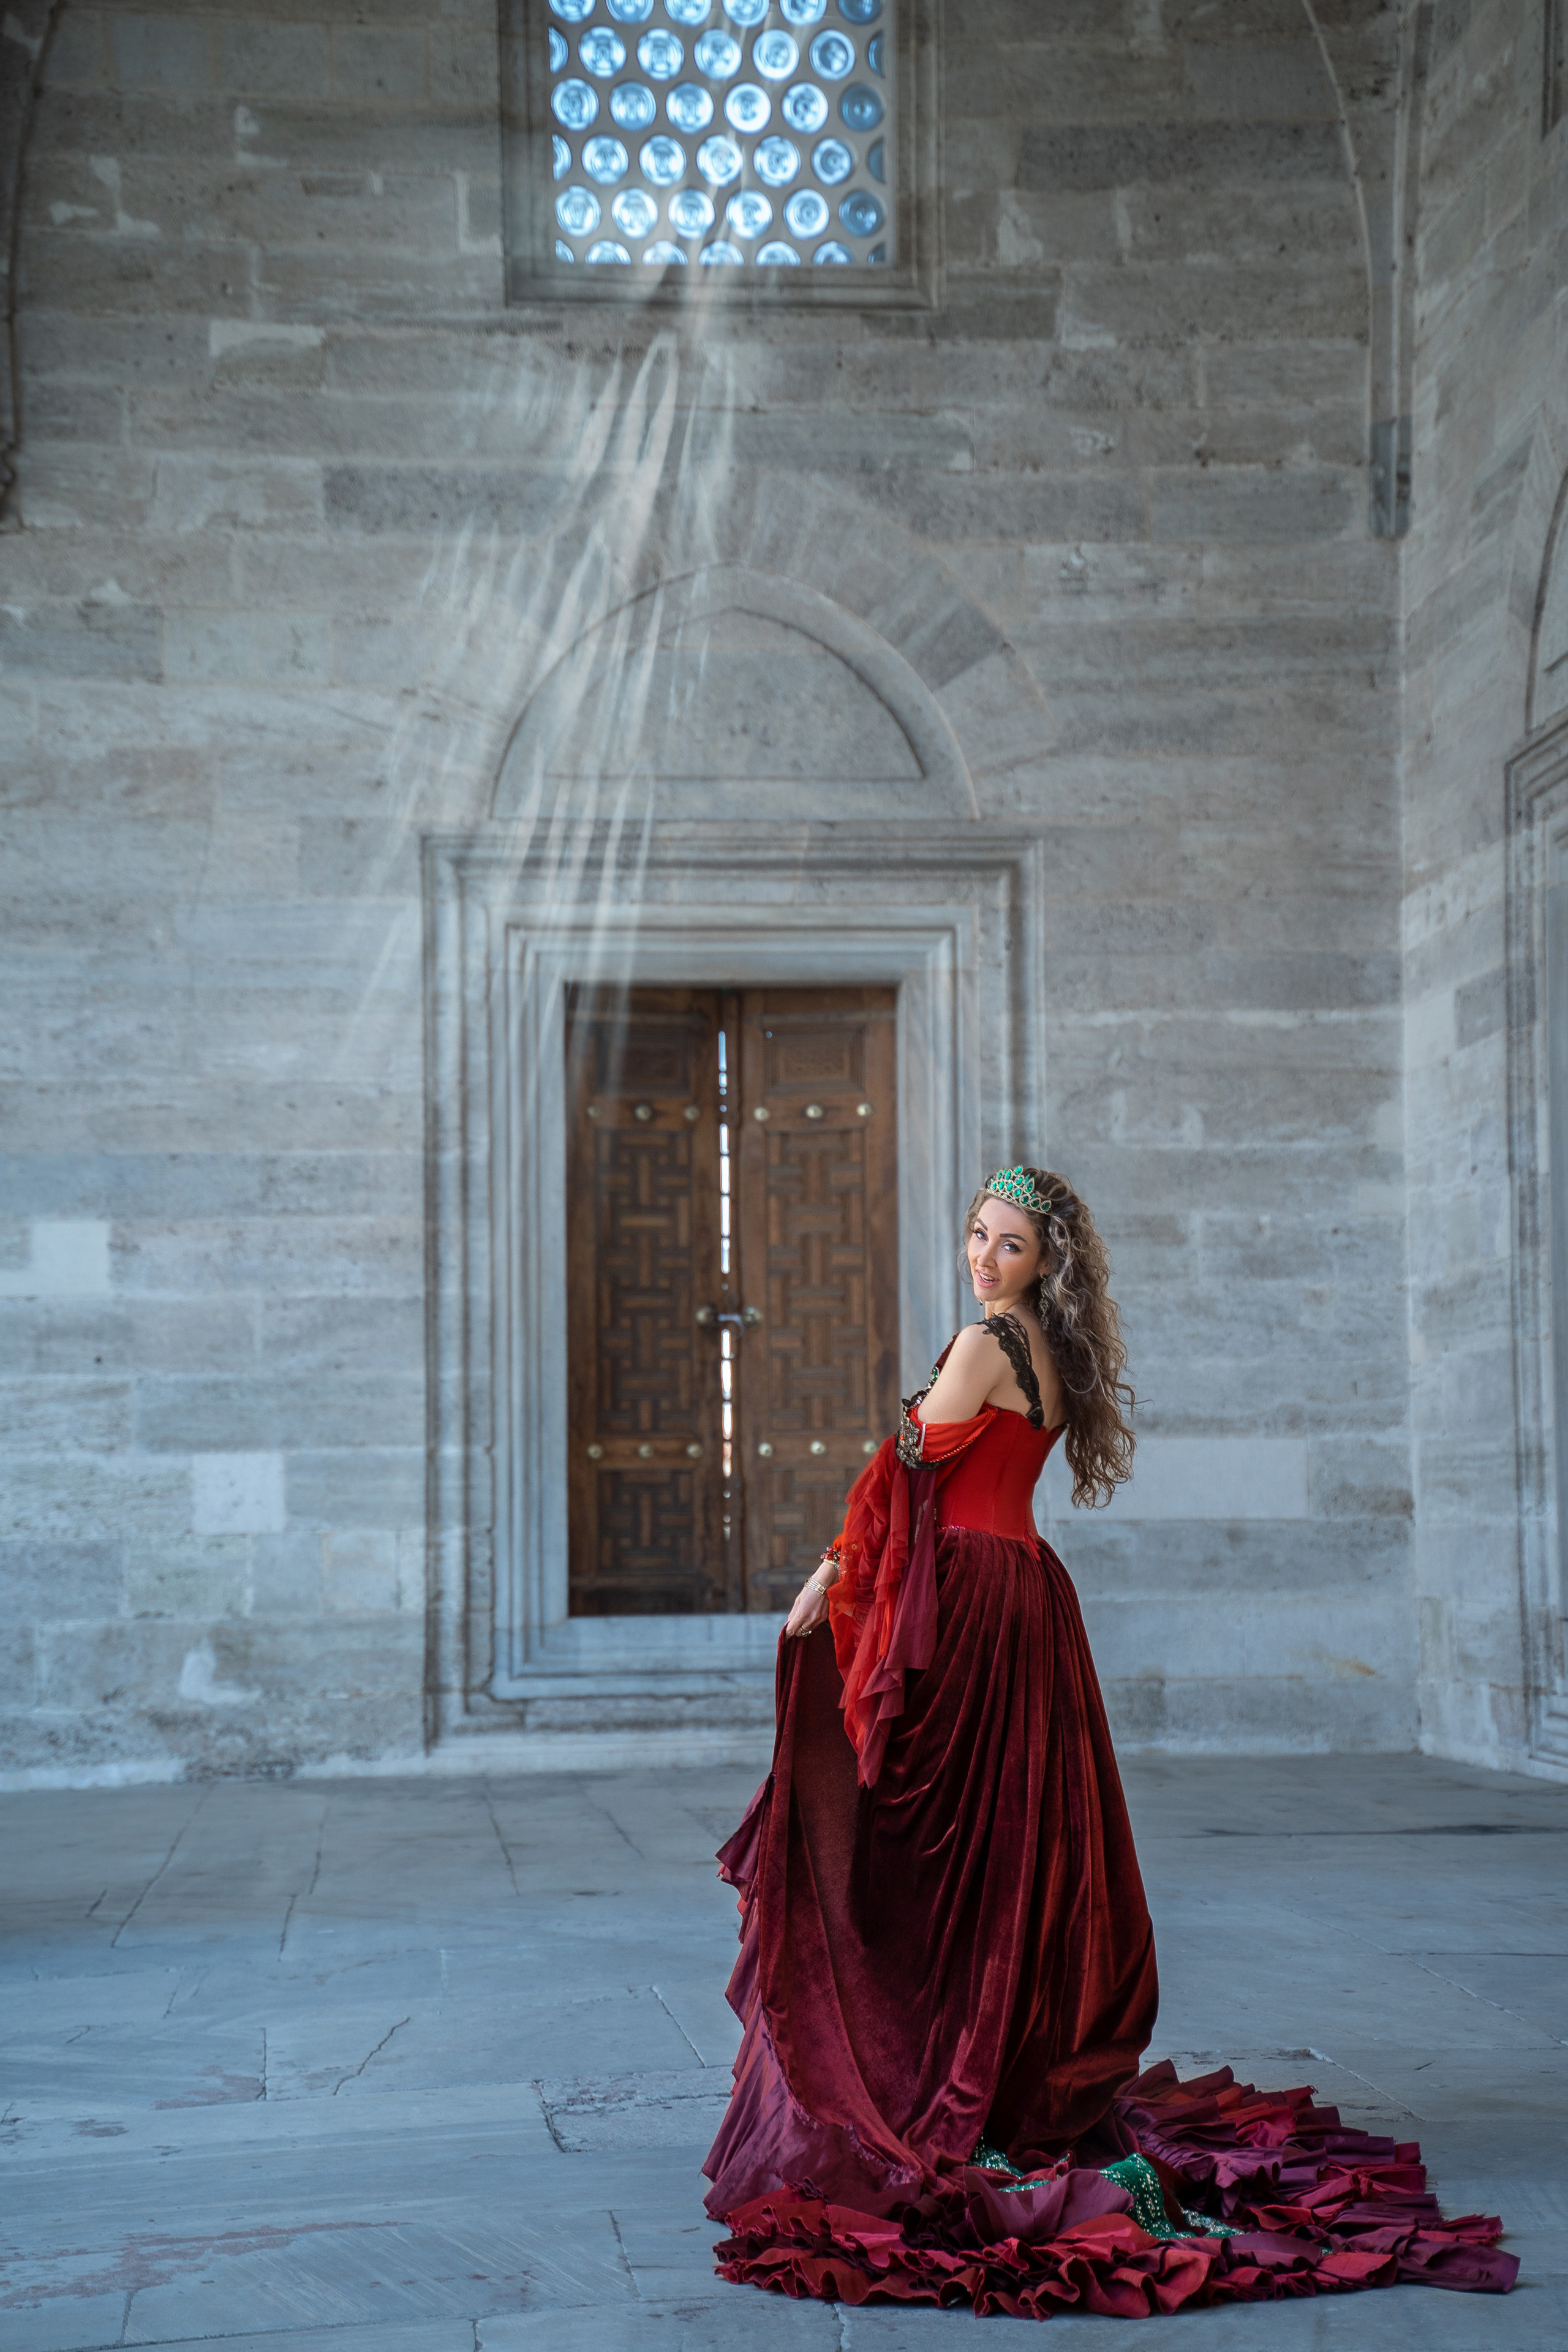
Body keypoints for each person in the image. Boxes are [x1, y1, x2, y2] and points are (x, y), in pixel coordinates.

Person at [701, 1167, 1517, 2318]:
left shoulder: (984, 1342)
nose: (986, 1258)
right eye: (978, 1236)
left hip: (973, 1605)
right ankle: (998, 2064)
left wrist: (830, 1575)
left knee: (925, 1852)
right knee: (1013, 1851)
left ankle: (932, 2072)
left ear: (1047, 1260)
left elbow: (904, 1479)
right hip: (1029, 1596)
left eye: (1012, 1244)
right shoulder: (1056, 1350)